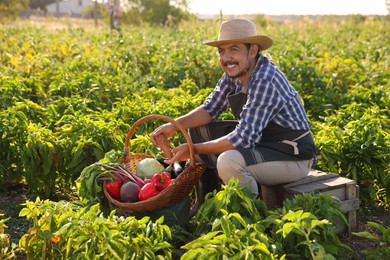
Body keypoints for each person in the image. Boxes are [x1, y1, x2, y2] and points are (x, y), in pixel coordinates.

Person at [150, 18, 316, 208]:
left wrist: (194, 149)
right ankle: (206, 202)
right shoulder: (236, 72)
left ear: (252, 51)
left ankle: (252, 216)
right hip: (264, 144)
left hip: (292, 156)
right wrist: (174, 126)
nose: (226, 57)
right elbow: (210, 108)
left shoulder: (265, 79)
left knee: (229, 161)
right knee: (199, 130)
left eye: (234, 49)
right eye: (222, 51)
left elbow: (242, 140)